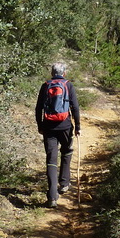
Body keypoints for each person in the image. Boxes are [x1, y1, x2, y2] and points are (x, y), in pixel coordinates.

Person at [35, 62, 80, 208]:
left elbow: (38, 108)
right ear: (64, 73)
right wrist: (78, 127)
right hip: (65, 126)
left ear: (51, 73)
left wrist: (40, 125)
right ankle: (64, 183)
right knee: (67, 151)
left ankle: (52, 197)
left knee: (51, 160)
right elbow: (75, 107)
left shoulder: (46, 85)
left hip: (48, 126)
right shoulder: (68, 85)